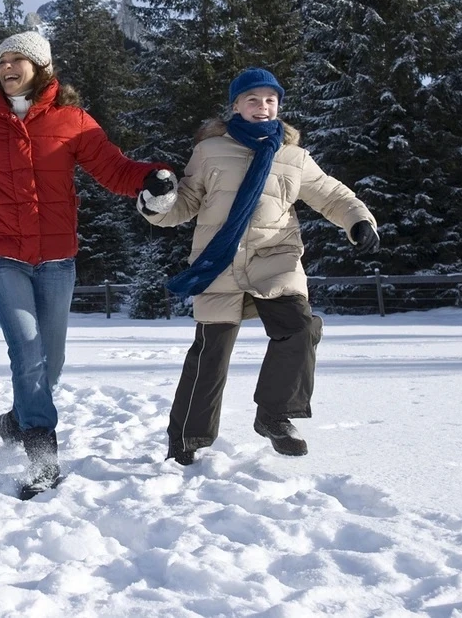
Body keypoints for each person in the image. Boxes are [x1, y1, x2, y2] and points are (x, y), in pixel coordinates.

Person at [0, 31, 175, 499]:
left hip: (57, 260)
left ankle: (15, 421)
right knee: (27, 352)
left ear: (40, 66)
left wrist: (152, 178)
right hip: (1, 256)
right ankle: (43, 460)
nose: (7, 67)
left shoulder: (73, 122)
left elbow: (114, 168)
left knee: (52, 361)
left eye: (17, 59)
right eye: (1, 60)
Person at [137, 67, 380, 463]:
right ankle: (186, 439)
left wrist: (358, 220)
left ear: (279, 106)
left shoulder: (293, 157)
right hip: (220, 261)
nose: (262, 107)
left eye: (270, 100)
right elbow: (182, 206)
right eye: (252, 99)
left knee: (300, 328)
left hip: (275, 258)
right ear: (235, 106)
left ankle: (275, 414)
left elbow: (331, 195)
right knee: (210, 353)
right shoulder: (210, 151)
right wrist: (159, 199)